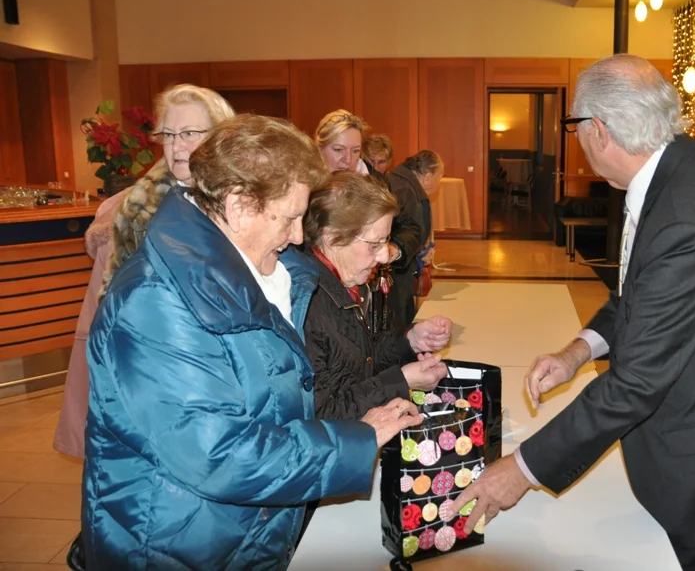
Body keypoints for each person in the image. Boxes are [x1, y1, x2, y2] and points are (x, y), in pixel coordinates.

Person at [450, 55, 695, 571]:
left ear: (598, 130)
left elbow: (637, 382)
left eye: (576, 127)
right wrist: (577, 352)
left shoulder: (685, 216)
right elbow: (636, 296)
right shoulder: (676, 173)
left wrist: (521, 470)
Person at [82, 115, 422, 570]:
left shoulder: (269, 271)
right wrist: (359, 439)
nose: (298, 236)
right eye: (291, 217)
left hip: (246, 530)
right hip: (176, 544)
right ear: (240, 205)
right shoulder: (153, 302)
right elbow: (220, 457)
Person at [53, 84, 236, 459]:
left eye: (189, 133)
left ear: (221, 137)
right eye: (168, 134)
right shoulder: (134, 213)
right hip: (155, 374)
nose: (176, 146)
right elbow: (107, 315)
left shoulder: (247, 203)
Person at [303, 171, 452, 421]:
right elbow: (323, 414)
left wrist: (410, 340)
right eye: (374, 244)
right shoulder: (306, 305)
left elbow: (359, 360)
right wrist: (402, 380)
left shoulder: (342, 283)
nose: (384, 256)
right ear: (332, 238)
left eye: (386, 242)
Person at [386, 150, 444, 327]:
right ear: (427, 177)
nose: (438, 184)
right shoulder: (406, 191)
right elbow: (404, 233)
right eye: (440, 178)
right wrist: (418, 252)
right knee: (399, 318)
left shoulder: (398, 181)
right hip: (396, 270)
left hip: (396, 265)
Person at [314, 109, 370, 175]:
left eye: (355, 151)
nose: (348, 160)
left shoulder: (367, 177)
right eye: (338, 150)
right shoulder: (305, 179)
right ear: (319, 149)